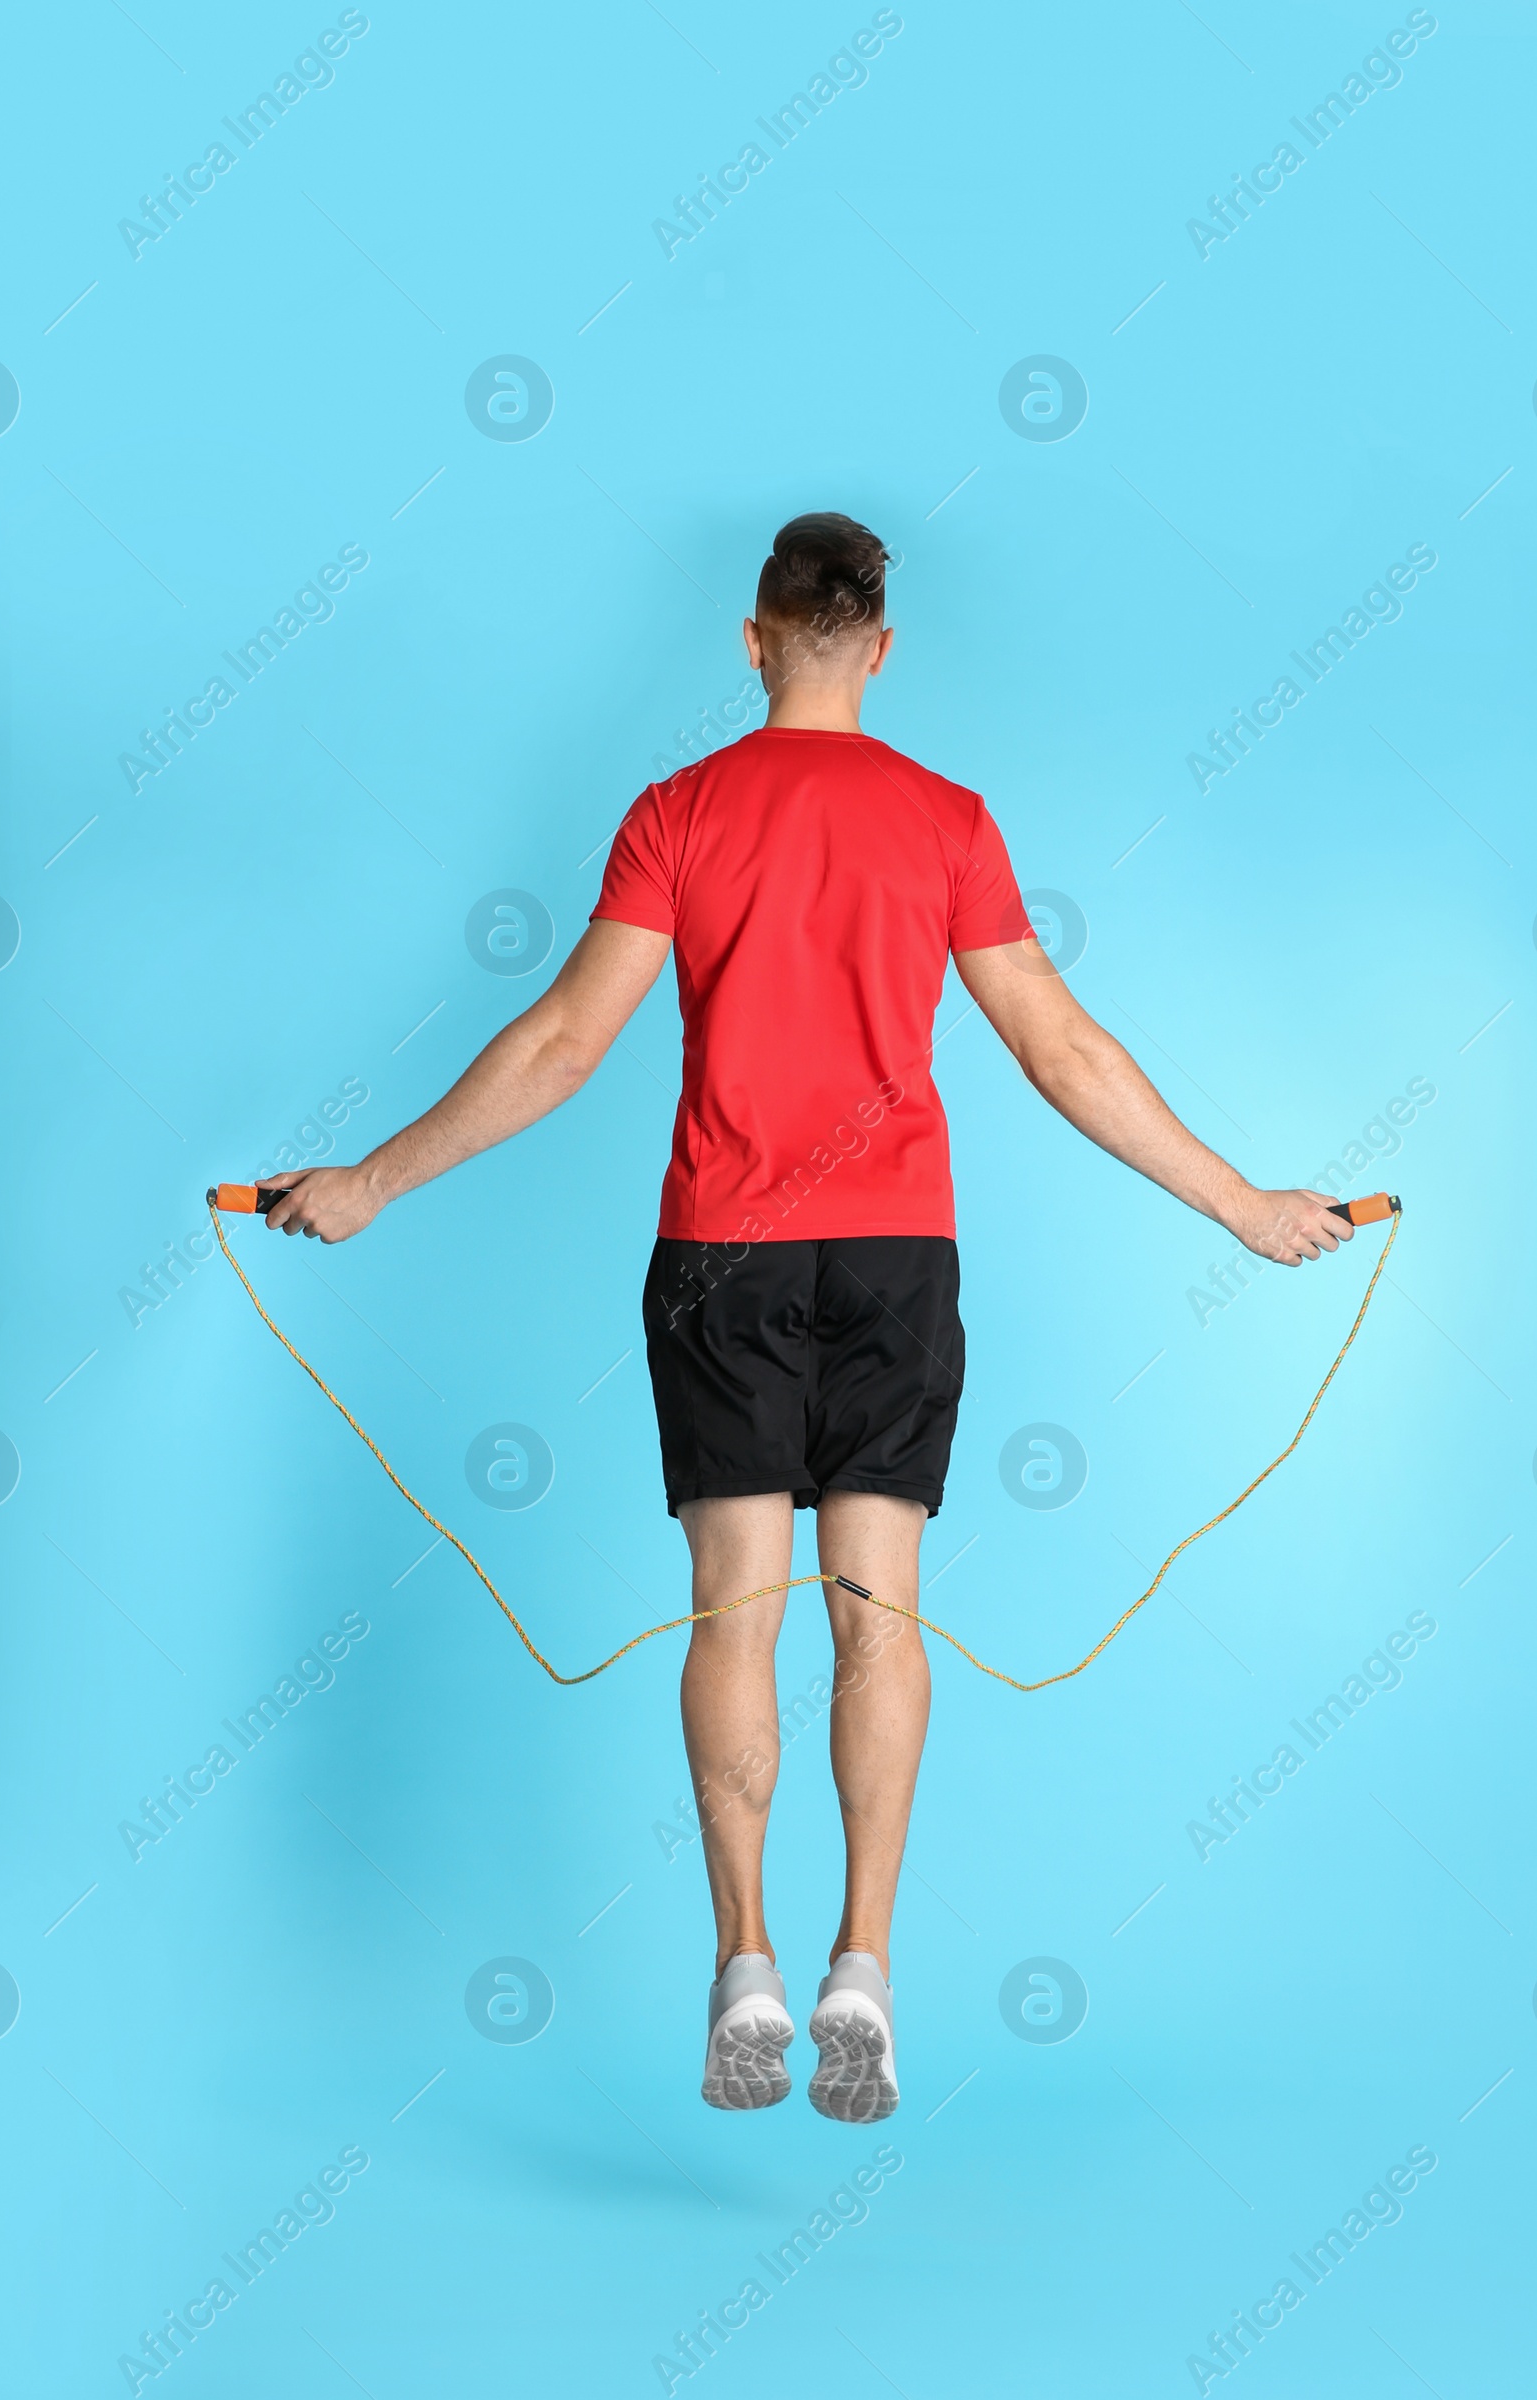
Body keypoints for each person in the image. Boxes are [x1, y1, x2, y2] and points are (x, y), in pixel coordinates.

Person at [260, 512, 1352, 2123]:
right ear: (882, 650)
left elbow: (565, 1041)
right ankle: (866, 1969)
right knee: (880, 1620)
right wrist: (1243, 1205)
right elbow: (1062, 1047)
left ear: (753, 638)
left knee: (732, 1617)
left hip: (727, 1256)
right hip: (898, 1255)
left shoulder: (680, 813)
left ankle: (747, 1969)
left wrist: (369, 1181)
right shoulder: (947, 819)